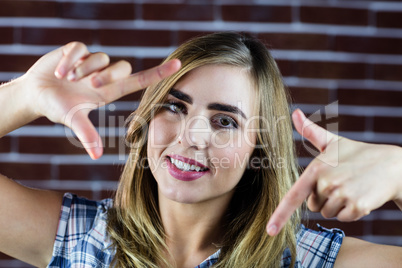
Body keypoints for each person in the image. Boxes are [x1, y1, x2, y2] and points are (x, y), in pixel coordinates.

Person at [0, 32, 401, 267]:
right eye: (174, 106)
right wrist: (24, 97)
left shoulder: (308, 260)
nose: (192, 136)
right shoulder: (82, 237)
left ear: (258, 148)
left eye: (225, 120)